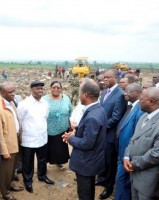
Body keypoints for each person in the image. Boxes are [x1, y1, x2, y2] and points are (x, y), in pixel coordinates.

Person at [123, 87, 159, 199]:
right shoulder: (144, 116)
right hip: (135, 174)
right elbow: (133, 139)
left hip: (148, 181)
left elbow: (157, 155)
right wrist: (126, 156)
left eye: (142, 99)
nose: (139, 101)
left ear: (151, 101)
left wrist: (133, 164)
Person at [62, 80, 107, 200]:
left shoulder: (92, 116)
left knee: (84, 194)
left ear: (85, 94)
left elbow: (87, 143)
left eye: (80, 93)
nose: (79, 95)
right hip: (92, 160)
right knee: (89, 189)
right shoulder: (98, 109)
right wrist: (77, 132)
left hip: (86, 162)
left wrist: (70, 138)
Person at [17, 80, 54, 193]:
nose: (40, 91)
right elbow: (20, 119)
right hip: (29, 139)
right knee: (28, 162)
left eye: (41, 89)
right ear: (31, 90)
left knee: (42, 159)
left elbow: (45, 117)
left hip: (42, 137)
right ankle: (28, 181)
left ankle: (42, 176)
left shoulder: (45, 103)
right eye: (37, 89)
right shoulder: (24, 104)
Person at [97, 69, 127, 199]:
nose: (105, 79)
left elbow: (116, 117)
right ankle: (102, 179)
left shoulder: (120, 94)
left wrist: (101, 127)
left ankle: (108, 187)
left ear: (115, 78)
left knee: (110, 162)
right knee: (102, 159)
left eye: (108, 77)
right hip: (103, 132)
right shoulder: (104, 92)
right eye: (104, 77)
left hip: (110, 134)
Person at [115, 83, 144, 200]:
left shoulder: (140, 110)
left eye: (128, 91)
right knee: (121, 181)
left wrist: (128, 154)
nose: (125, 93)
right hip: (122, 151)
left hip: (128, 154)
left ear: (137, 93)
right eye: (125, 91)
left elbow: (137, 135)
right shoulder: (130, 106)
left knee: (122, 180)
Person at [0, 82, 24, 200]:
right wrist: (4, 150)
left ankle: (10, 184)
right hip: (7, 144)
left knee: (13, 167)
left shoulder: (11, 102)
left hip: (15, 139)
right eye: (10, 92)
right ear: (2, 93)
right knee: (5, 171)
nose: (13, 94)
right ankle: (5, 192)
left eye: (14, 91)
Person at [43, 81, 72, 170]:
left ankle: (59, 162)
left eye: (58, 87)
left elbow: (71, 111)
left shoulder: (66, 98)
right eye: (54, 87)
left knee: (60, 148)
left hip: (63, 128)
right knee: (48, 148)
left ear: (61, 89)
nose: (56, 89)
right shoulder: (44, 99)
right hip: (48, 128)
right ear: (50, 88)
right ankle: (44, 165)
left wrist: (71, 123)